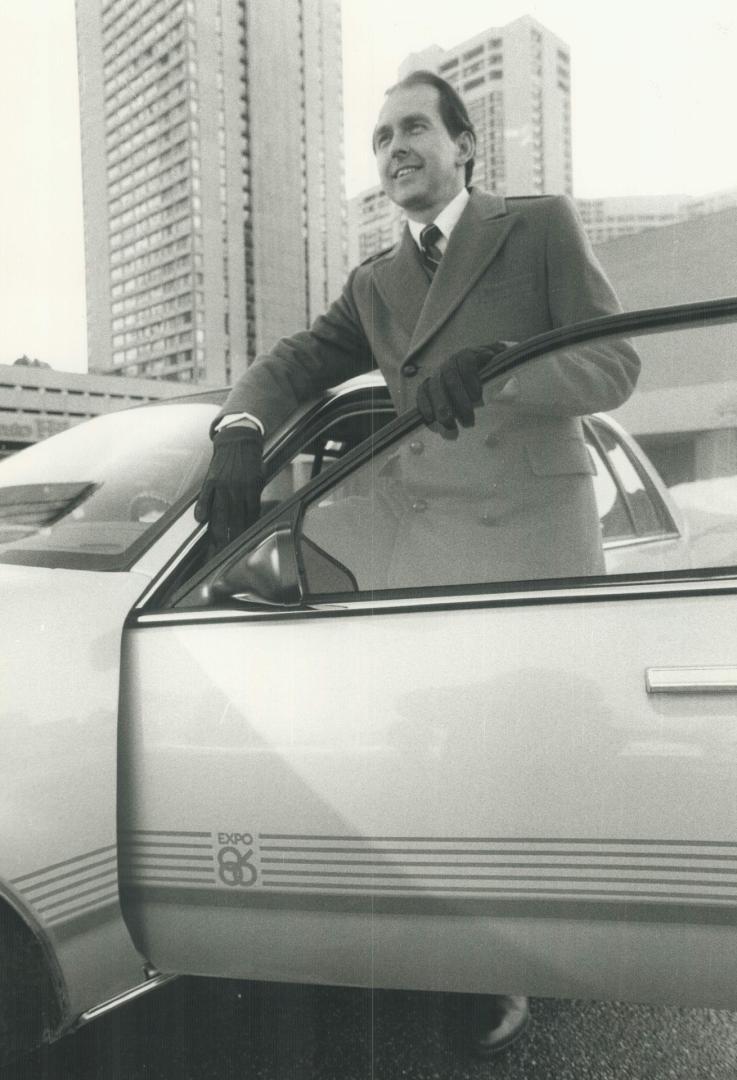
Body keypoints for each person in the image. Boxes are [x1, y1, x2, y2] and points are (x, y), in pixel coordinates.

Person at [195, 70, 639, 1056]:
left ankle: (545, 965)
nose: (392, 147)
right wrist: (237, 432)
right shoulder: (374, 283)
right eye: (379, 136)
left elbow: (615, 366)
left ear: (463, 144)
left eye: (412, 129)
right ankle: (471, 964)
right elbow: (290, 365)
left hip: (534, 548)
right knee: (447, 778)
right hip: (431, 559)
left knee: (534, 774)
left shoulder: (536, 228)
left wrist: (504, 369)